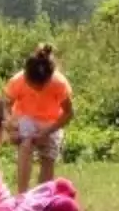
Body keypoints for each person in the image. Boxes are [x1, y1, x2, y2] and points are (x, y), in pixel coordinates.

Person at [4, 44, 74, 193]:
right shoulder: (18, 81)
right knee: (26, 145)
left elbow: (68, 113)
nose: (37, 89)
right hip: (25, 118)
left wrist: (47, 132)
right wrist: (11, 128)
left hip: (51, 123)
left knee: (48, 158)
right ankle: (22, 195)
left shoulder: (59, 84)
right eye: (33, 85)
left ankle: (42, 198)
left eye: (42, 86)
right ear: (26, 76)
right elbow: (5, 107)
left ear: (50, 77)